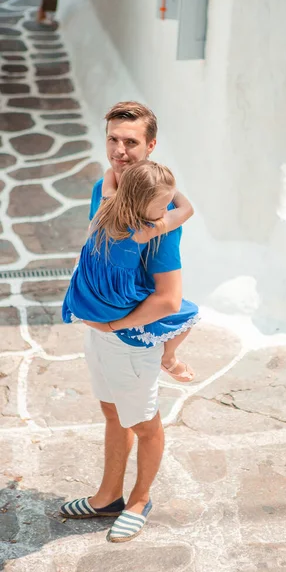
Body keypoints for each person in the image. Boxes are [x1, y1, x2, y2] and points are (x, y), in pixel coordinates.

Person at [59, 102, 199, 543]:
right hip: (100, 332)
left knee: (143, 423)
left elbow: (169, 298)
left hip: (129, 339)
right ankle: (107, 497)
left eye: (131, 142)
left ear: (151, 146)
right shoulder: (107, 187)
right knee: (111, 412)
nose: (119, 151)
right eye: (113, 140)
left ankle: (139, 500)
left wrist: (117, 328)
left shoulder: (156, 222)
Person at [62, 159, 198, 381]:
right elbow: (187, 209)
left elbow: (109, 174)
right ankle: (169, 359)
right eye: (162, 206)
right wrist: (172, 192)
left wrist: (145, 184)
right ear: (143, 205)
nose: (165, 211)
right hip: (112, 307)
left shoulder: (107, 202)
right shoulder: (144, 229)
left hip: (83, 295)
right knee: (188, 314)